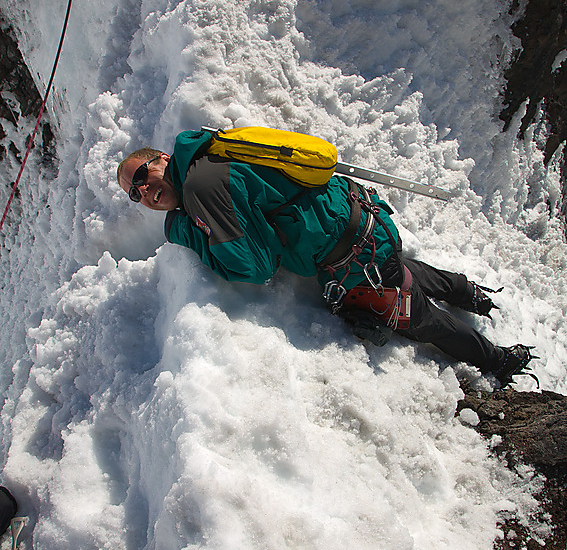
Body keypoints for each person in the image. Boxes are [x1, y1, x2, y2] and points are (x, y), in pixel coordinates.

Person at [116, 128, 538, 387]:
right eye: (133, 194)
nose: (142, 193)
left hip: (352, 252)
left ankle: (498, 360)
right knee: (398, 274)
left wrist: (182, 228)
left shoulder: (199, 189)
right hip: (363, 224)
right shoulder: (210, 153)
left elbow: (255, 267)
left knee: (414, 316)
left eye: (141, 177)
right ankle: (471, 292)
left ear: (163, 159)